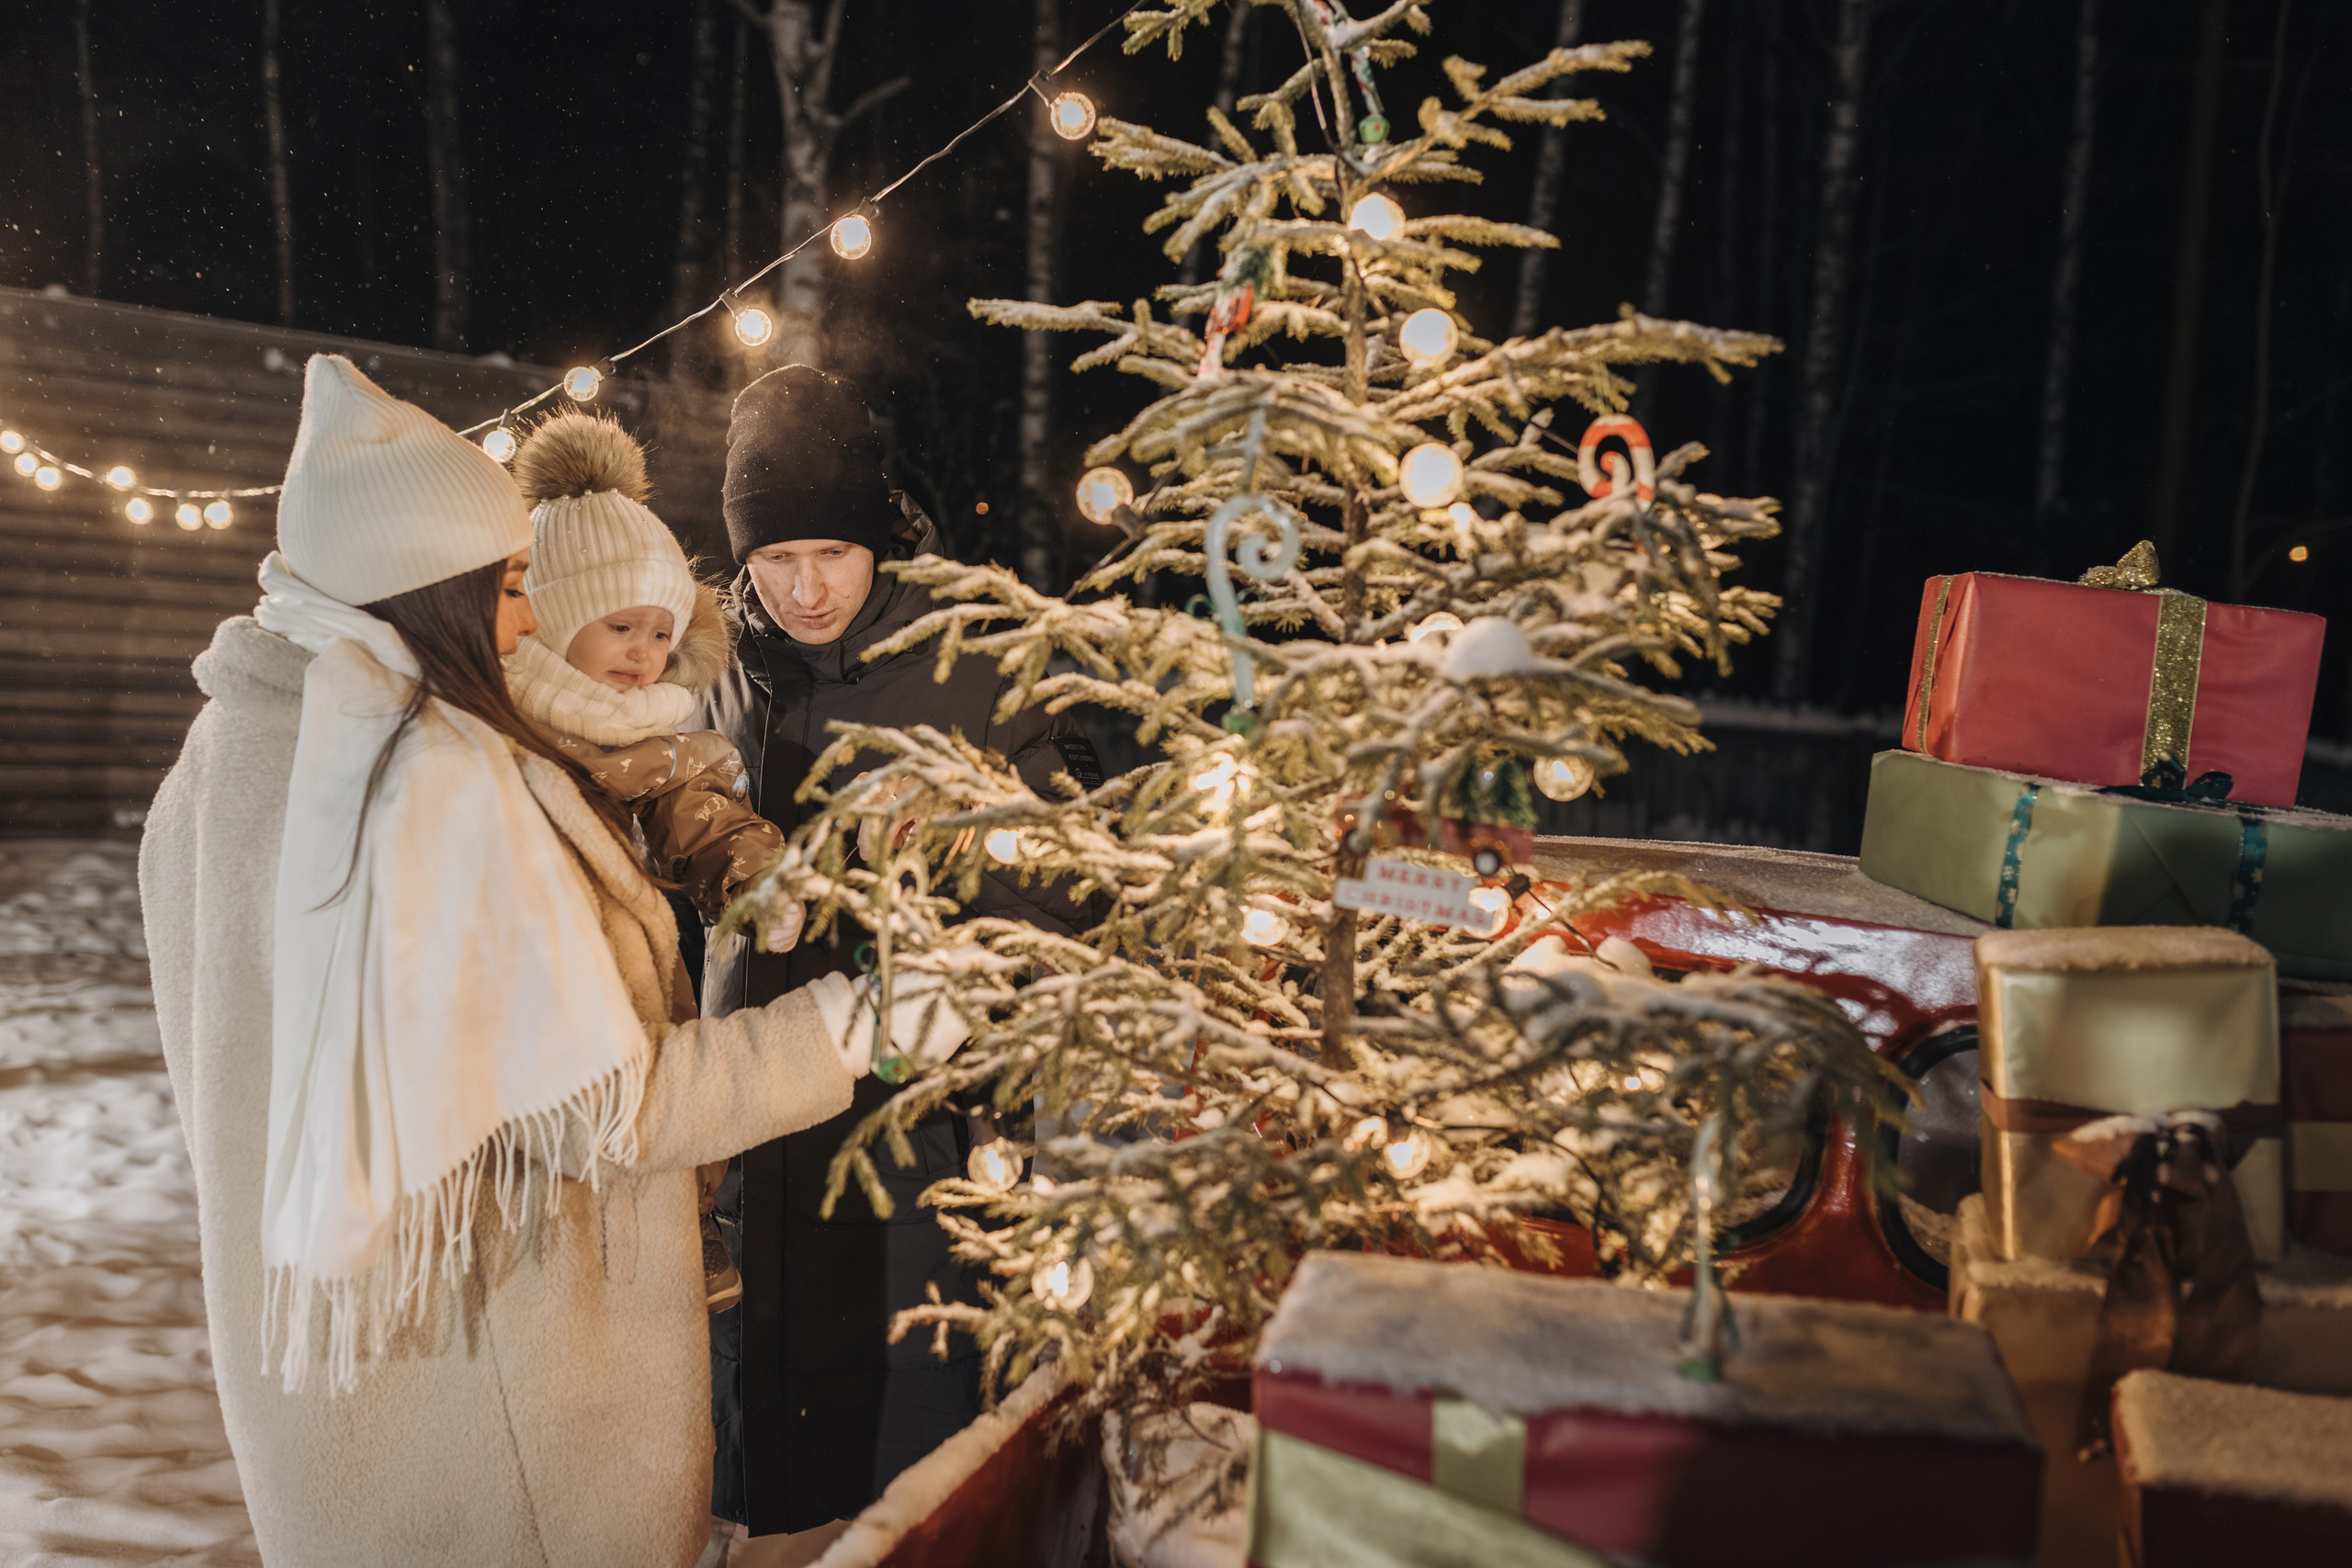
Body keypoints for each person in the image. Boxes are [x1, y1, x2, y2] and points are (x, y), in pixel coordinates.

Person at [139, 355, 957, 1568]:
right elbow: (605, 1104)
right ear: (430, 587)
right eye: (512, 585)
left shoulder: (233, 749)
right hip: (506, 1398)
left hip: (350, 1379)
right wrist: (856, 1027)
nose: (525, 622)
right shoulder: (421, 787)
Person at [701, 365, 1101, 1535]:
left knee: (900, 1455)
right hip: (751, 1111)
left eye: (831, 552)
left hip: (914, 1123)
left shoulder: (977, 662)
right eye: (775, 561)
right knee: (754, 1443)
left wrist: (961, 868)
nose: (806, 588)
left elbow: (1071, 890)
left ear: (880, 535)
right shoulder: (718, 671)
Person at [503, 409, 799, 1313]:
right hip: (540, 986)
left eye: (663, 634)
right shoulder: (511, 726)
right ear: (550, 621)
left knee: (660, 1058)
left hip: (638, 967)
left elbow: (697, 806)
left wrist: (755, 876)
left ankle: (690, 1228)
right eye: (621, 627)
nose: (644, 655)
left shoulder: (649, 734)